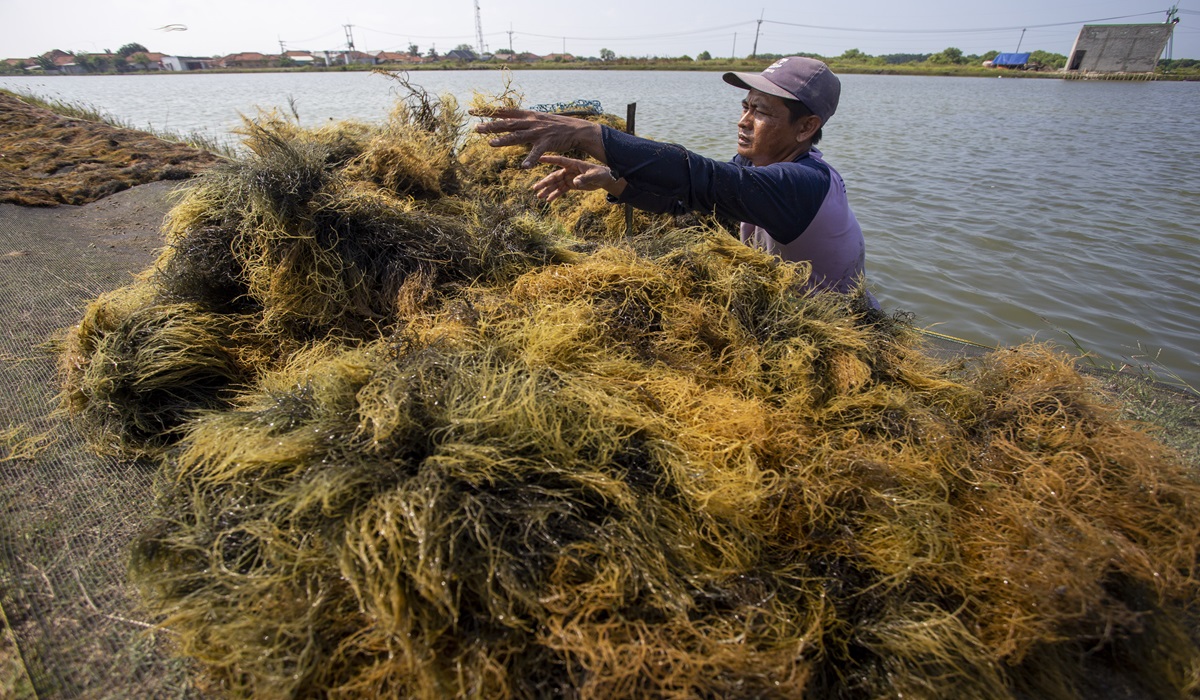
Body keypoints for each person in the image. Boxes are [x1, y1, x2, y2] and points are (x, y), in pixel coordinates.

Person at [474, 56, 874, 301]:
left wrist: (587, 133)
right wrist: (614, 182)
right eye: (746, 106)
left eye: (762, 112)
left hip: (833, 323)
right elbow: (690, 202)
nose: (744, 121)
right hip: (788, 306)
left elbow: (699, 176)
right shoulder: (754, 167)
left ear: (806, 127)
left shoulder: (803, 183)